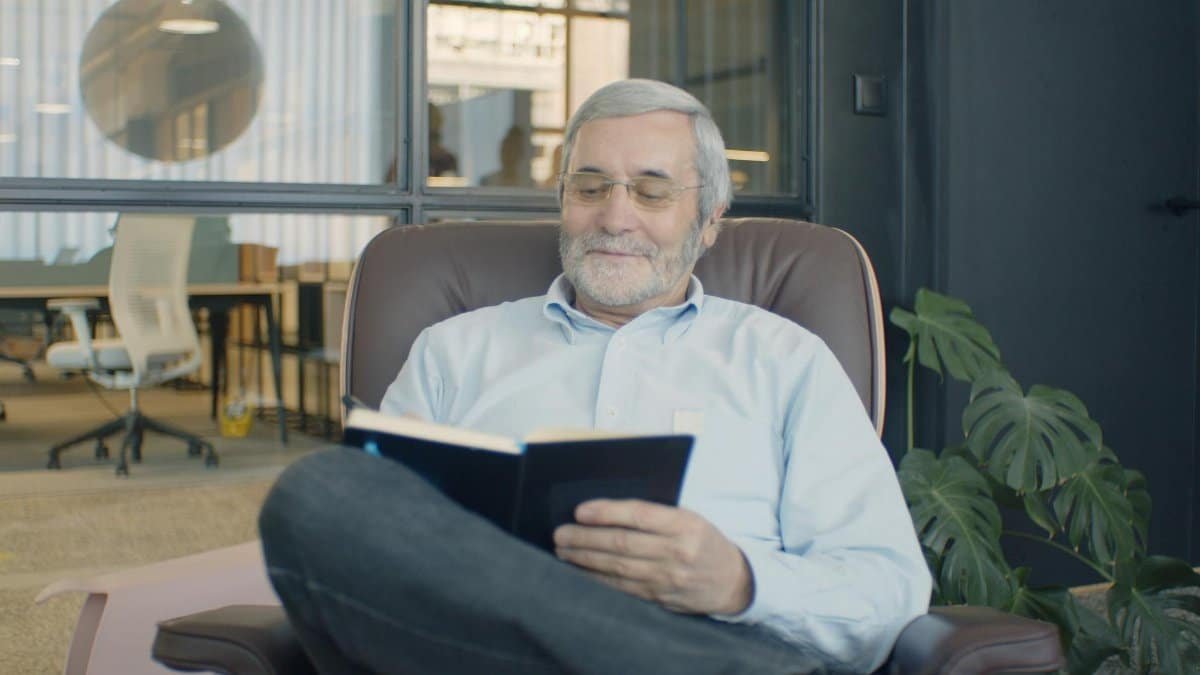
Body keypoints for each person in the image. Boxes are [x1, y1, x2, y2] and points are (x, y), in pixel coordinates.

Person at [259, 78, 931, 674]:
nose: (615, 216)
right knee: (315, 492)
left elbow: (888, 587)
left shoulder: (787, 361)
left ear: (708, 223)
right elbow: (377, 553)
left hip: (717, 629)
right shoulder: (452, 352)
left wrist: (739, 581)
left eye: (651, 189)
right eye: (590, 186)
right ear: (562, 201)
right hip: (485, 648)